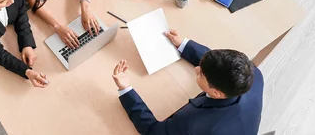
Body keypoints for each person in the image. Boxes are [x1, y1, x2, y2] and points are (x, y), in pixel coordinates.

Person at [112, 30, 263, 134]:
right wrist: (182, 44)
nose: (196, 69)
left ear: (216, 92)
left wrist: (126, 89)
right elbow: (218, 63)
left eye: (201, 75)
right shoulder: (253, 74)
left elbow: (153, 131)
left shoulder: (190, 123)